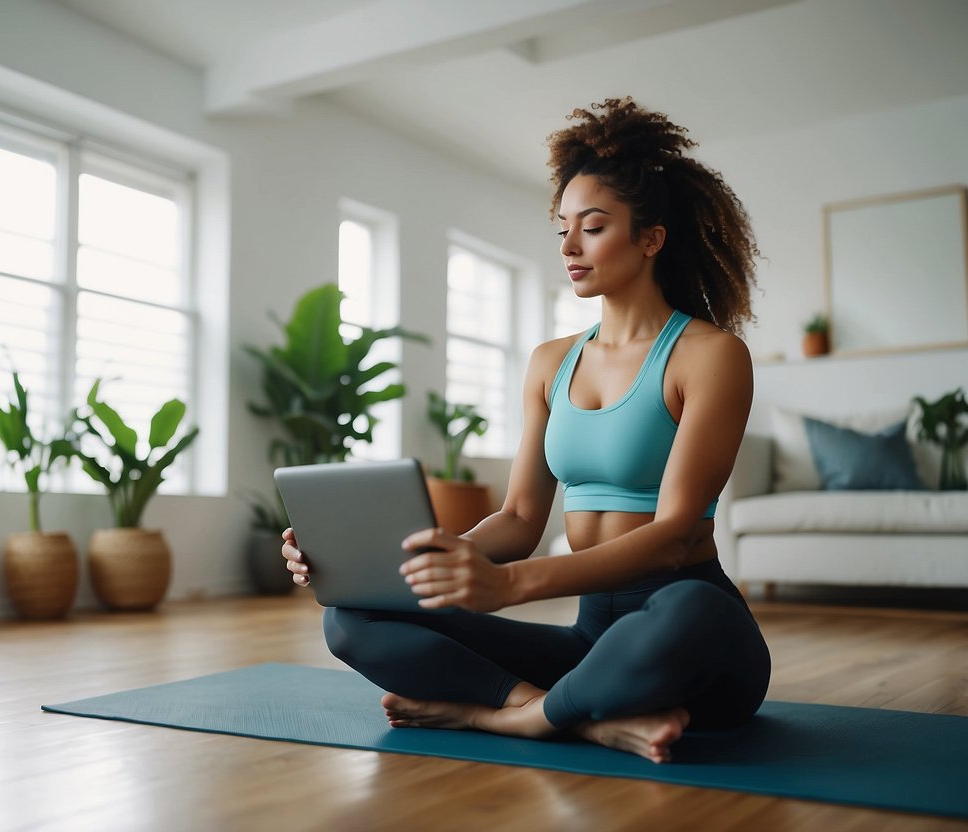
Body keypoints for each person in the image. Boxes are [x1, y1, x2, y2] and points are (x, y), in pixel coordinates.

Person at [281, 97, 770, 764]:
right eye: (561, 228)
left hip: (687, 635)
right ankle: (574, 717)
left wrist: (510, 586)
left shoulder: (709, 355)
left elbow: (675, 535)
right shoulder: (550, 362)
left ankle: (501, 720)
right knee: (353, 618)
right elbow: (516, 516)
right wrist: (413, 567)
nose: (568, 246)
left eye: (591, 228)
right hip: (590, 643)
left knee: (693, 611)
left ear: (651, 238)